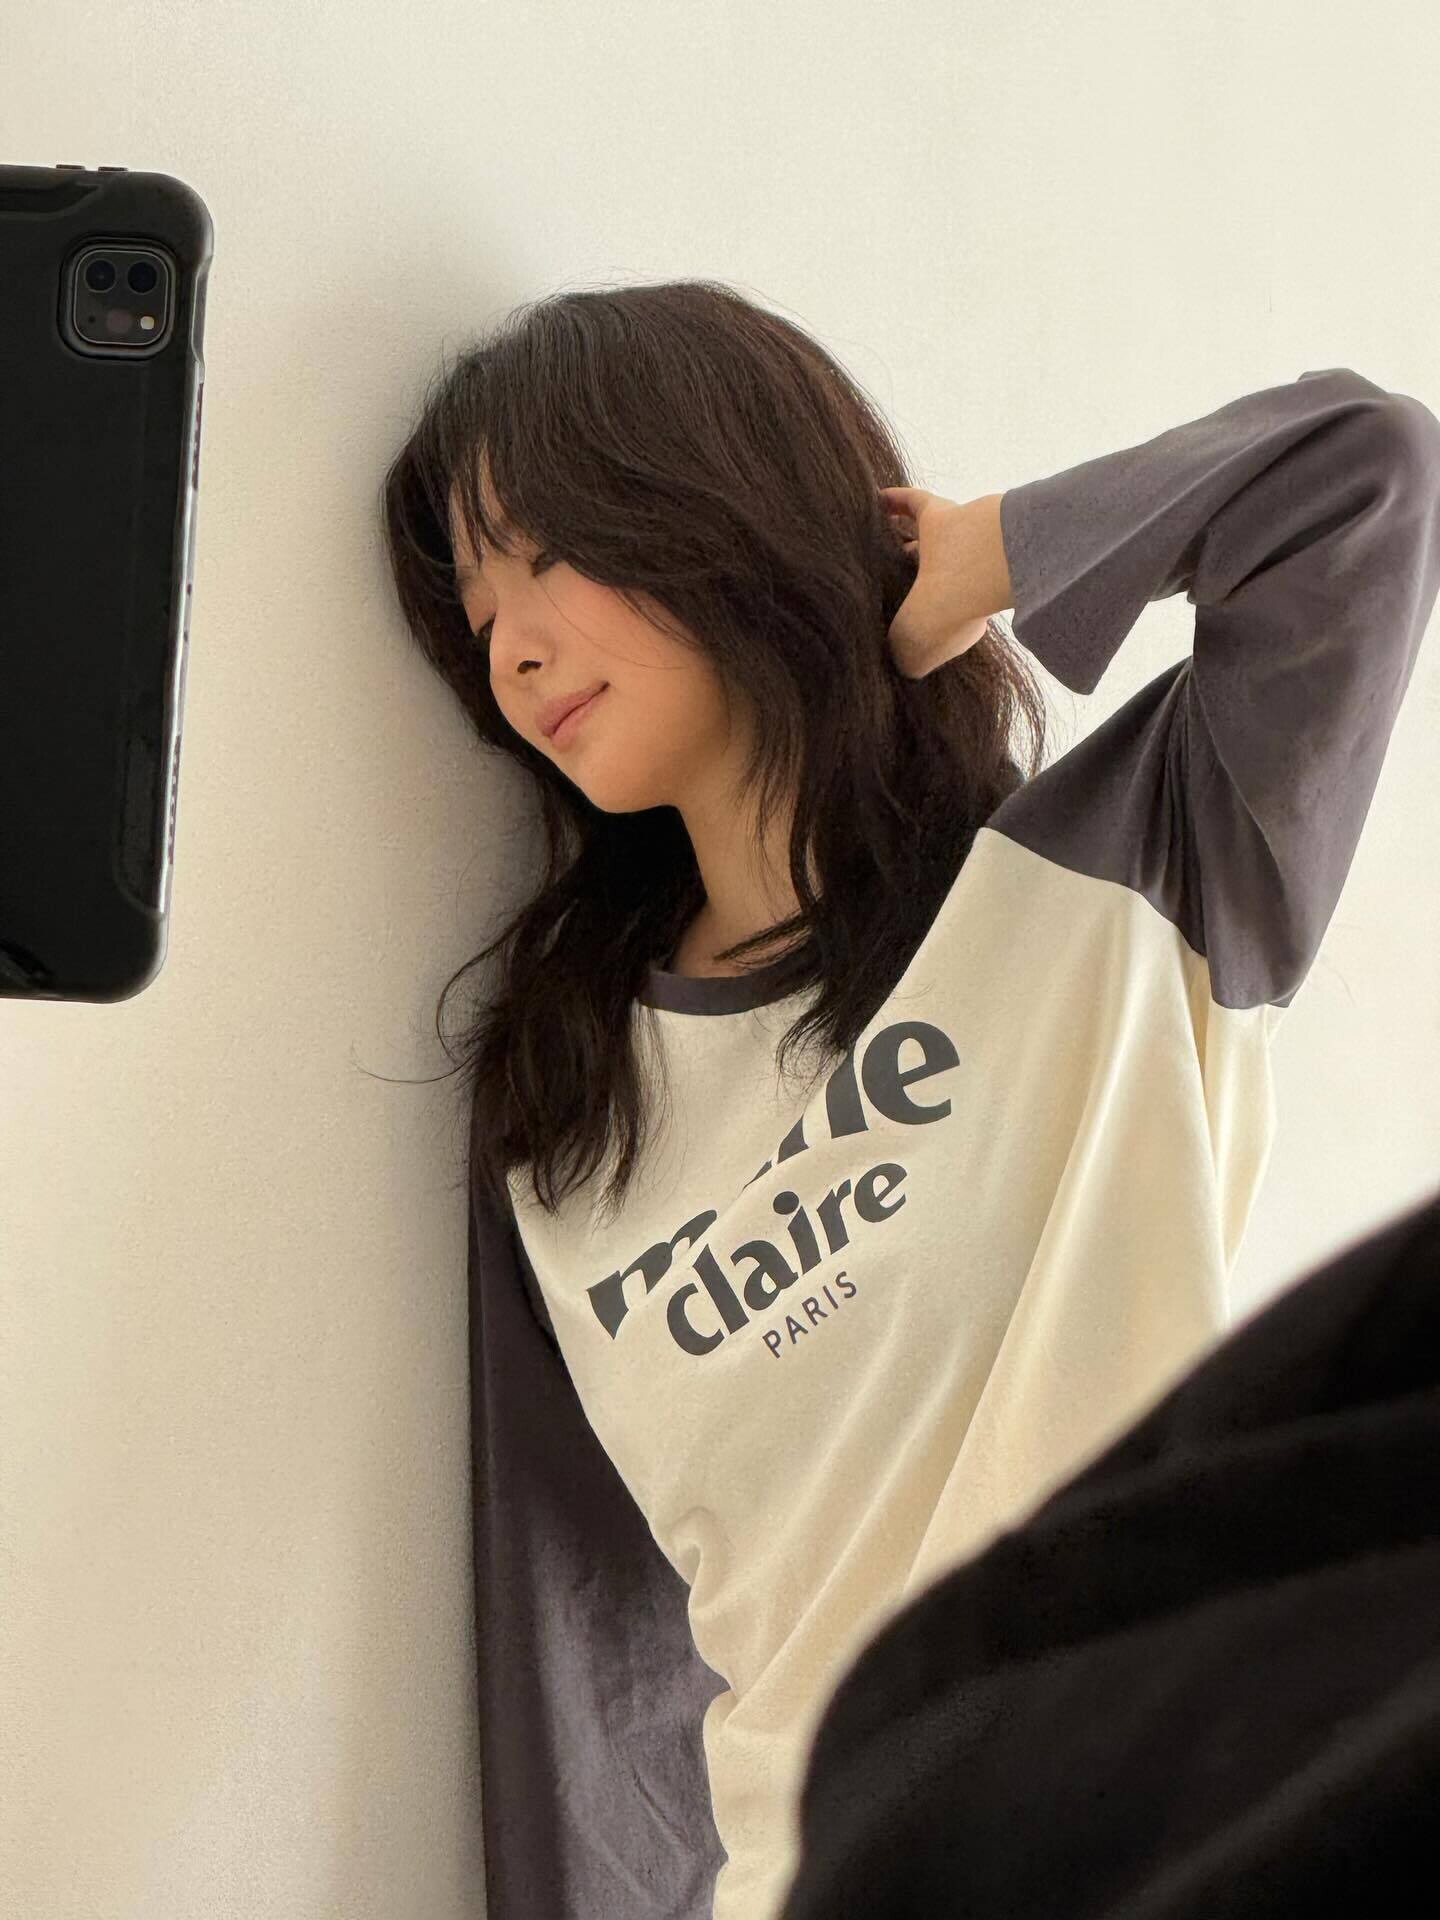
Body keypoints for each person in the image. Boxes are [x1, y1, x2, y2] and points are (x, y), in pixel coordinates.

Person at [377, 280, 1440, 1919]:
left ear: (709, 498)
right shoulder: (567, 1102)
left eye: (545, 557)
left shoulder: (1130, 878)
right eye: (476, 611)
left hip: (1149, 1828)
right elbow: (579, 1666)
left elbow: (1365, 474)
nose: (511, 650)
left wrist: (993, 554)